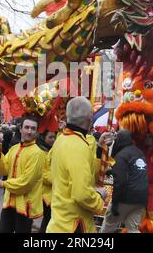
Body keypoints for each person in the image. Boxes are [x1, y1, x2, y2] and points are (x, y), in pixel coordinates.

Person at [46, 96, 107, 233]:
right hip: (74, 225)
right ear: (89, 119)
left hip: (60, 221)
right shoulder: (78, 145)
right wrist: (99, 198)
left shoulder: (60, 140)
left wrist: (100, 148)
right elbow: (82, 194)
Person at [0, 115, 45, 233]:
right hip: (9, 203)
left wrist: (3, 183)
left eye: (33, 128)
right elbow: (4, 170)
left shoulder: (37, 153)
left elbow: (26, 182)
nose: (29, 131)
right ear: (20, 129)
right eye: (27, 127)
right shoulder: (14, 149)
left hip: (25, 206)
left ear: (36, 132)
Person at [100, 129, 148, 233]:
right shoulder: (139, 152)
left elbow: (120, 181)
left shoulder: (121, 155)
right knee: (133, 230)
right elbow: (133, 172)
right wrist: (112, 172)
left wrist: (115, 203)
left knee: (108, 227)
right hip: (141, 199)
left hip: (125, 198)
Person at [37, 130, 56, 233]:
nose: (53, 140)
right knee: (48, 218)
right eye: (50, 137)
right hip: (44, 193)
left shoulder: (53, 150)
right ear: (43, 138)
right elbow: (42, 174)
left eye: (54, 137)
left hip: (53, 191)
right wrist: (58, 179)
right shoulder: (40, 152)